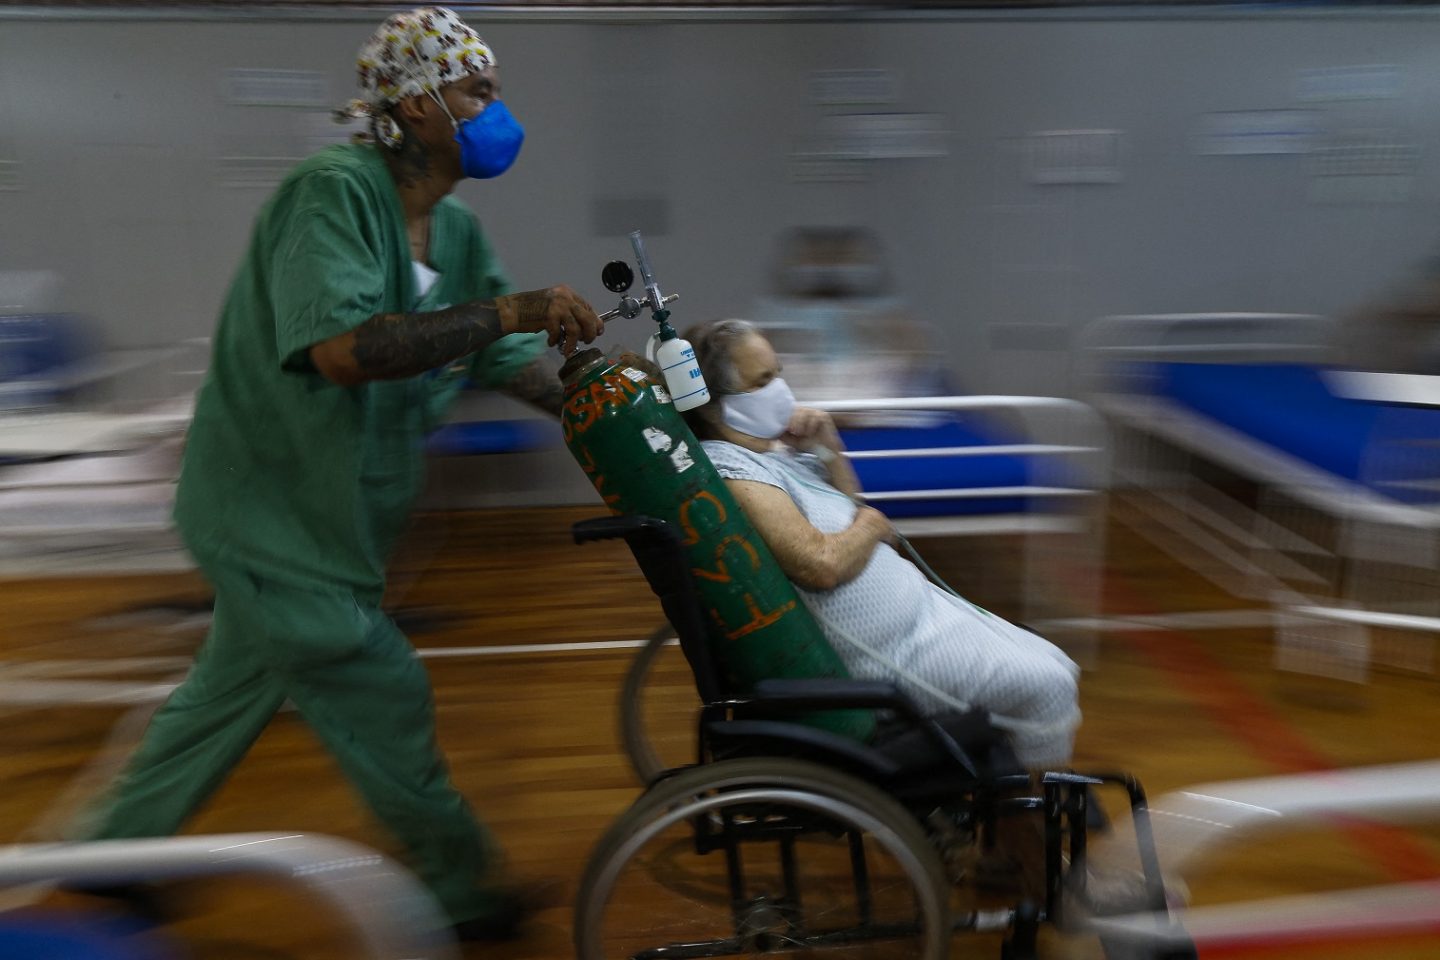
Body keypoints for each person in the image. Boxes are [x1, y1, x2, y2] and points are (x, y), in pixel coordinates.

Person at [68, 7, 600, 942]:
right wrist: (510, 310)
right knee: (377, 685)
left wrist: (595, 412)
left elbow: (494, 354)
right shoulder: (332, 191)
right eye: (478, 89)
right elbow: (343, 351)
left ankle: (108, 856)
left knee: (227, 690)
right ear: (416, 103)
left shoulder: (457, 228)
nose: (497, 107)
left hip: (335, 515)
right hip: (270, 504)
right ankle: (463, 893)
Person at [681, 318, 1080, 769]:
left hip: (918, 623)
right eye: (764, 380)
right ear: (714, 404)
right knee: (1049, 685)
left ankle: (1009, 792)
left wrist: (828, 448)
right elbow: (821, 564)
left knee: (1057, 662)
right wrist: (873, 526)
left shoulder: (770, 451)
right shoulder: (734, 472)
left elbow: (846, 508)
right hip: (883, 661)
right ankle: (1025, 821)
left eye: (779, 373)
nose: (781, 389)